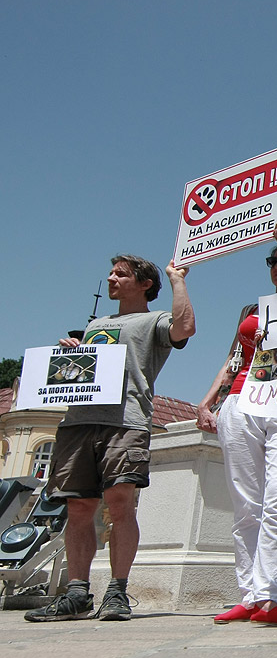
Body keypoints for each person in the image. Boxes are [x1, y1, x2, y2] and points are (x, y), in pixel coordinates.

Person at [25, 255, 196, 622]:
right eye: (111, 272)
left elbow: (184, 328)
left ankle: (117, 592)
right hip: (78, 422)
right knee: (78, 508)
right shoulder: (96, 324)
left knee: (120, 505)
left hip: (126, 420)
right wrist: (73, 355)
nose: (110, 278)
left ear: (145, 283)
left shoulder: (154, 320)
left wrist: (177, 279)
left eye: (121, 274)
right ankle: (76, 593)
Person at [197, 216, 277, 626]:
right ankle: (249, 596)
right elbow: (233, 358)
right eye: (272, 260)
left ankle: (270, 597)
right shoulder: (253, 309)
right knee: (245, 503)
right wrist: (208, 401)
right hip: (242, 400)